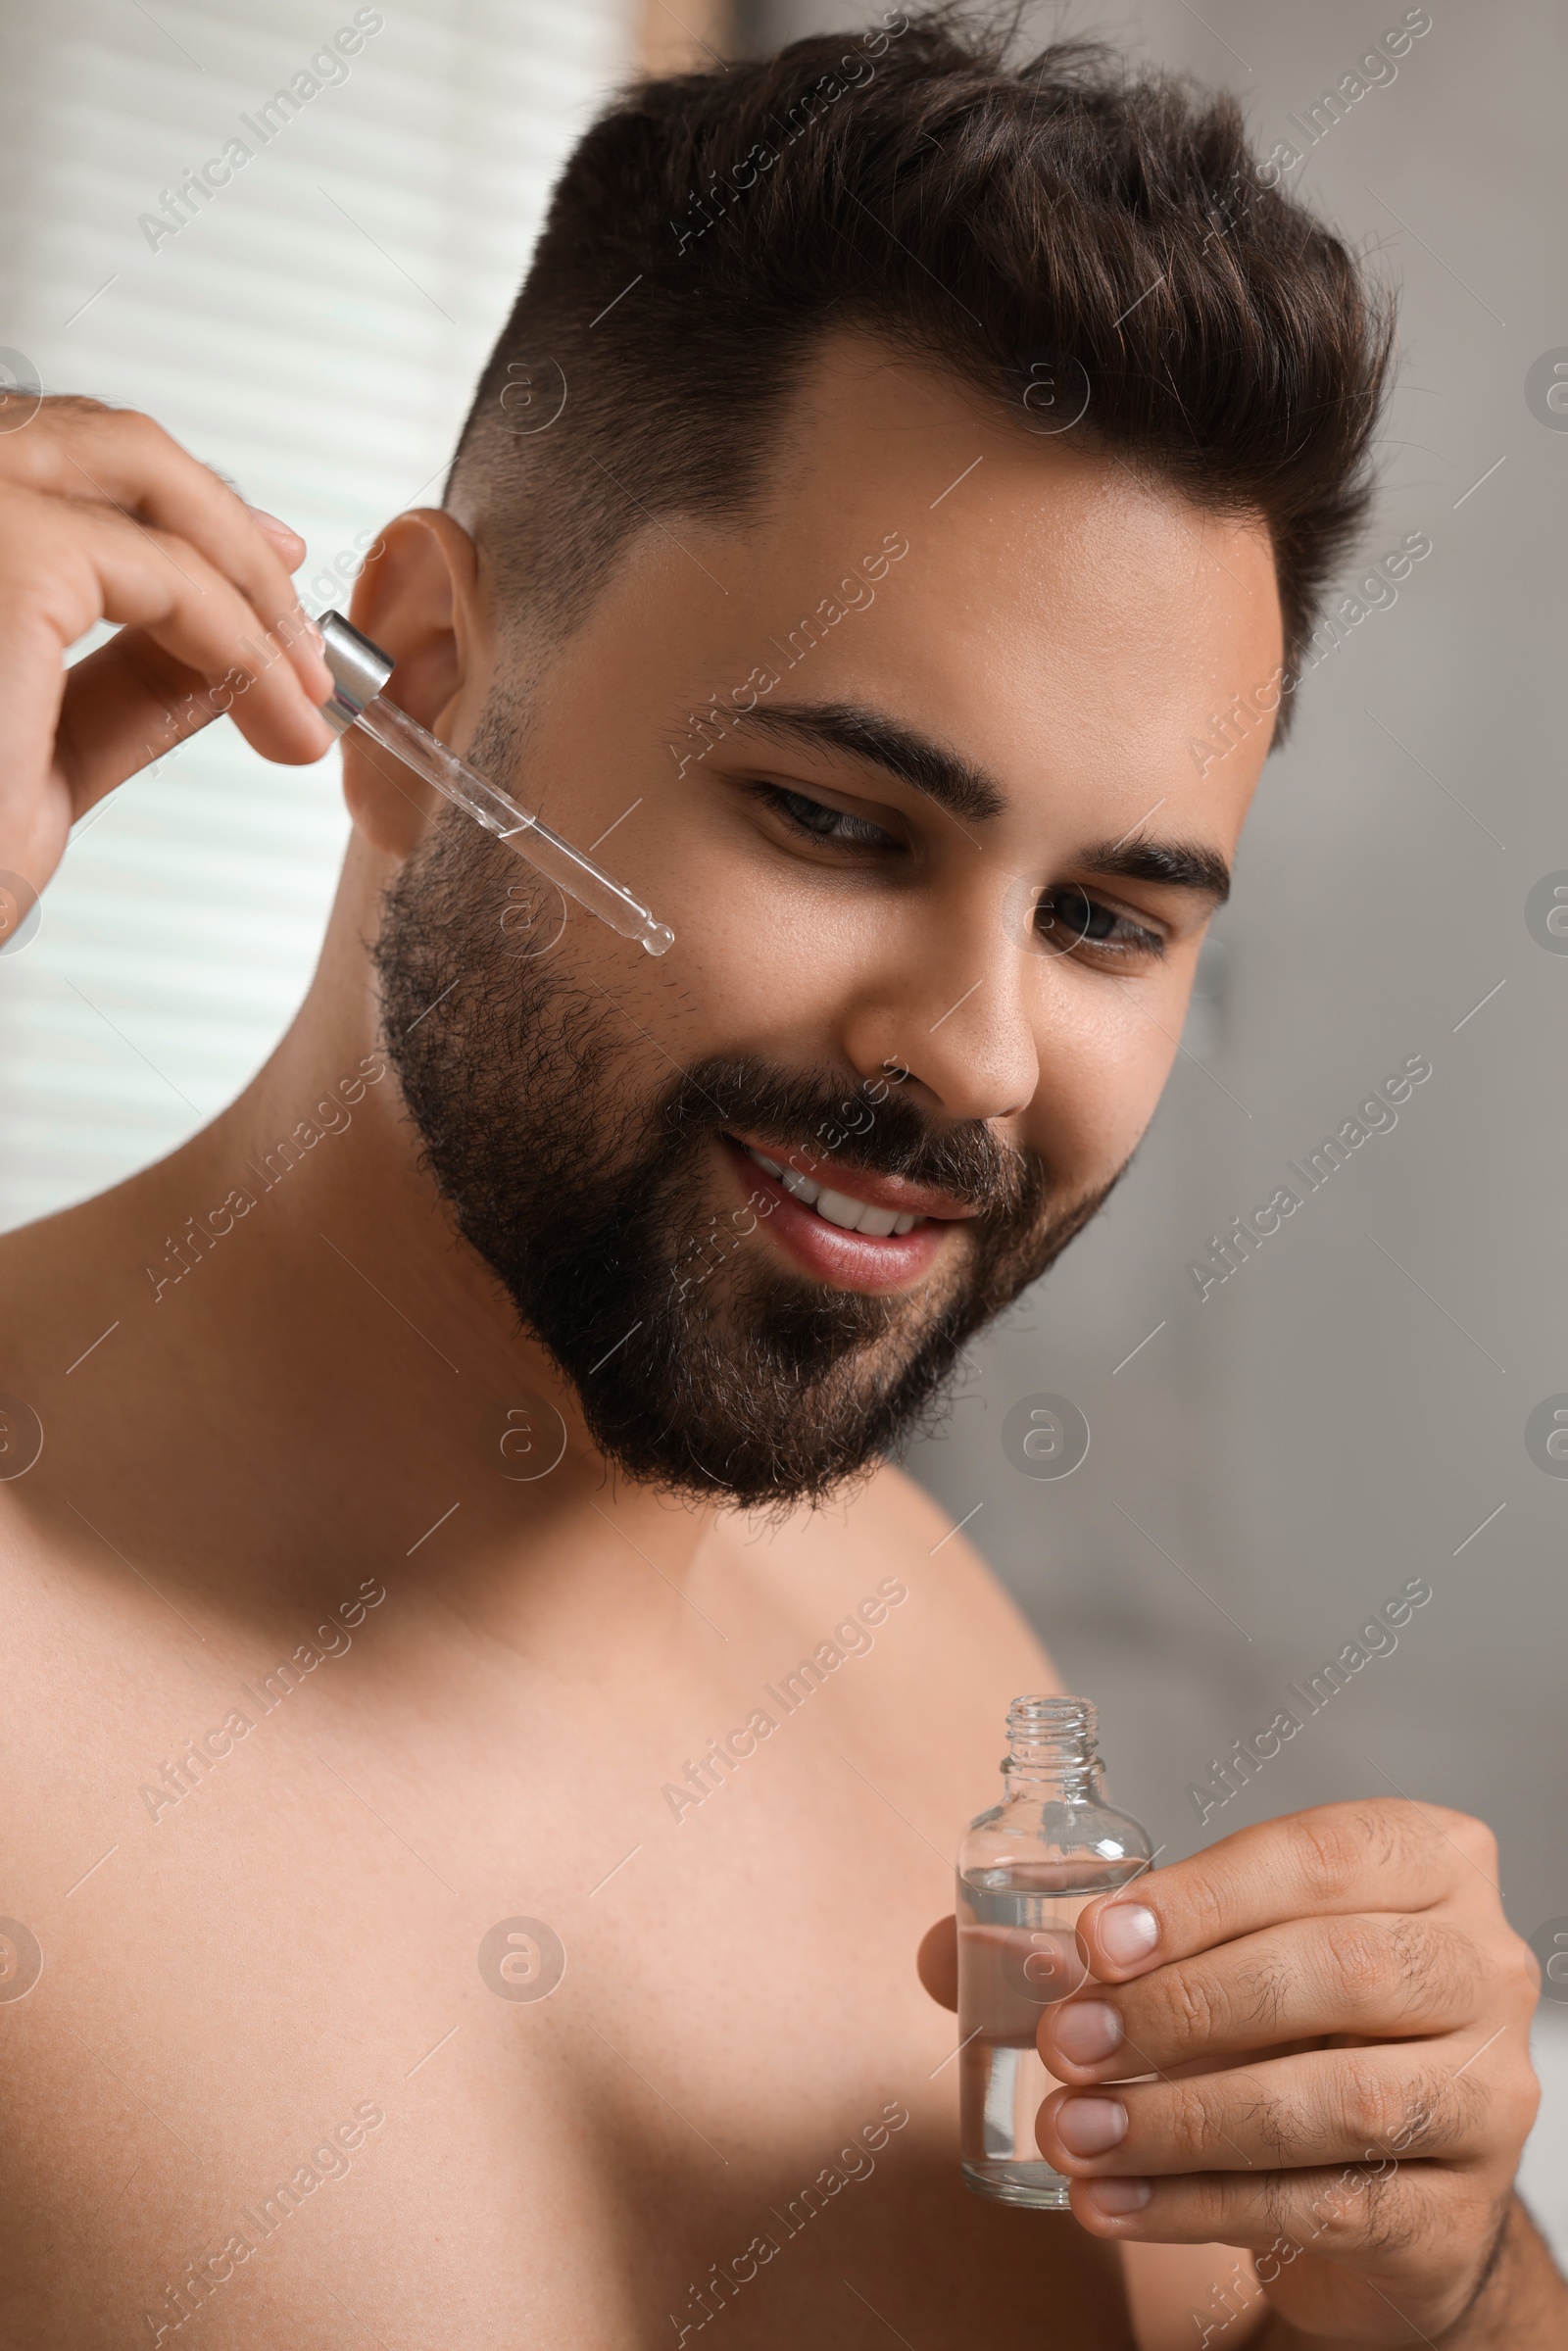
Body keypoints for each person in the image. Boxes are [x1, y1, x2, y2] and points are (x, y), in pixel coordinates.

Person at [0, 13, 1554, 2346]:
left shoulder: (949, 1697)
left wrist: (1441, 2293)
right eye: (835, 821)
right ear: (420, 685)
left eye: (1106, 918)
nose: (973, 1051)